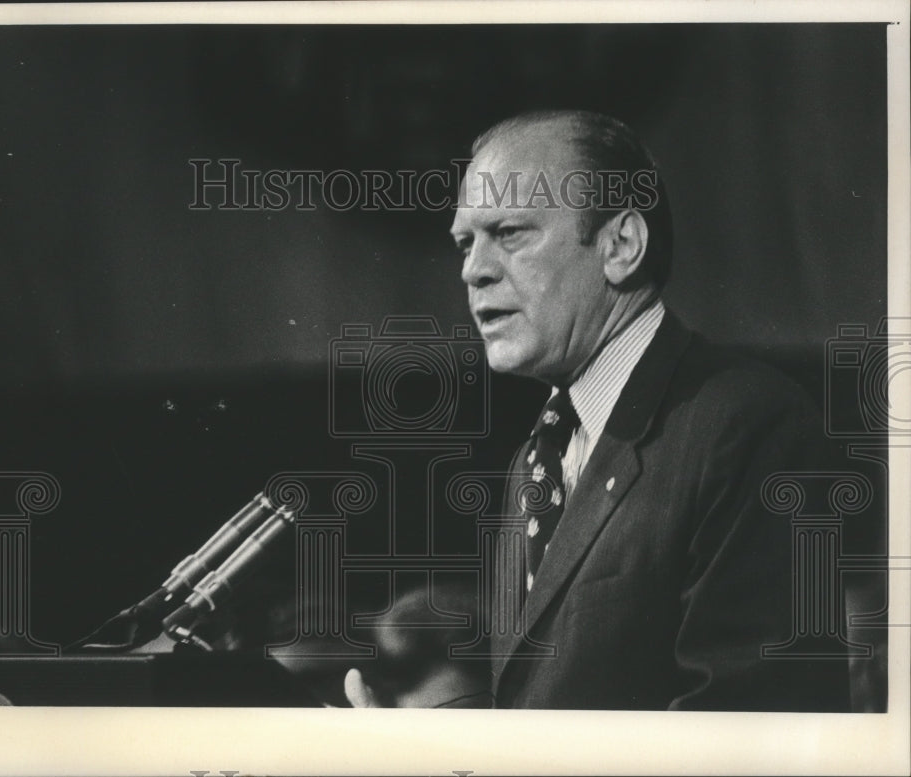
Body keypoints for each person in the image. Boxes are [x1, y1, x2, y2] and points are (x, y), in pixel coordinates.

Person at [346, 109, 852, 710]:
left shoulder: (745, 422)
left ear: (621, 246)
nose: (473, 270)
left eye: (509, 233)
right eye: (464, 242)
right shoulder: (535, 460)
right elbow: (543, 713)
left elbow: (749, 729)